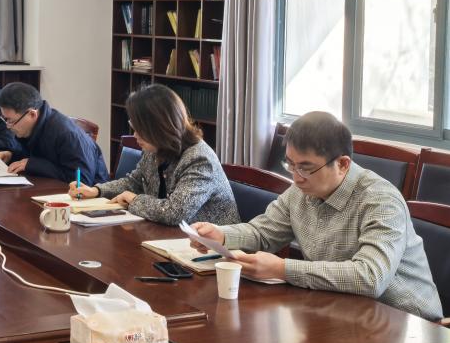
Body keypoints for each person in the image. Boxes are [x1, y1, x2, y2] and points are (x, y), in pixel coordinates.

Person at [189, 111, 442, 321]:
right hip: (342, 312)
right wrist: (222, 235)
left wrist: (282, 269)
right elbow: (263, 232)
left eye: (306, 167)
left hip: (407, 325)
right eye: (290, 164)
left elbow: (370, 277)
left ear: (342, 164)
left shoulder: (380, 200)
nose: (296, 177)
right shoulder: (301, 190)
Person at [67, 84, 238, 225]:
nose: (135, 135)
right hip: (170, 238)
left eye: (139, 129)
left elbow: (175, 212)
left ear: (159, 127)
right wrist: (97, 190)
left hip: (209, 248)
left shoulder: (199, 159)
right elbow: (134, 182)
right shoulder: (155, 148)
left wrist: (134, 200)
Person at [0, 82, 109, 184]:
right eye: (5, 120)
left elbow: (81, 181)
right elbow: (29, 156)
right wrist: (11, 155)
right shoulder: (29, 128)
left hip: (91, 198)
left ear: (32, 114)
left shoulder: (67, 134)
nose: (8, 126)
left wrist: (32, 165)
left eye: (11, 121)